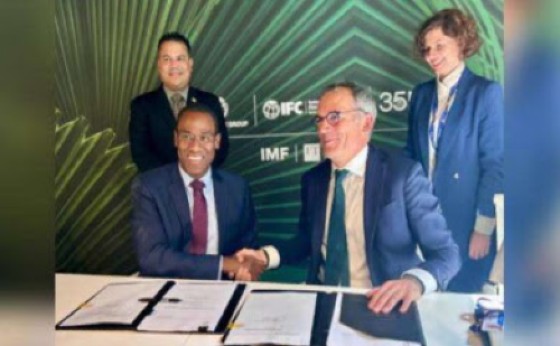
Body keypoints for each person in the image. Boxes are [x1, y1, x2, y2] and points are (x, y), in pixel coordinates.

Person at [237, 82, 460, 314]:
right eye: (319, 120)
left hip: (382, 304)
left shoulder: (402, 176)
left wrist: (414, 283)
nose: (323, 129)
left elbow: (446, 254)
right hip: (322, 301)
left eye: (334, 117)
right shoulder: (313, 180)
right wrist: (265, 256)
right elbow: (305, 241)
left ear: (366, 122)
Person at [405, 8, 504, 292]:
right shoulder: (421, 94)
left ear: (461, 43)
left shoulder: (486, 93)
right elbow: (411, 156)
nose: (431, 56)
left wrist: (483, 229)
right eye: (426, 49)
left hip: (467, 221)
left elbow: (495, 164)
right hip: (425, 220)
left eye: (439, 46)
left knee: (461, 306)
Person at [131, 103, 258, 280]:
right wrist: (223, 264)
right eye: (186, 136)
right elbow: (152, 257)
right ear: (176, 139)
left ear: (217, 141)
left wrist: (246, 268)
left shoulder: (237, 187)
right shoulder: (149, 187)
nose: (195, 146)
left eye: (204, 138)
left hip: (222, 288)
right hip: (167, 290)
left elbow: (247, 249)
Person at [129, 32, 229, 172]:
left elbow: (221, 148)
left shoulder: (210, 102)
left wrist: (195, 177)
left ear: (190, 63)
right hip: (161, 188)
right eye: (167, 59)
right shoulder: (142, 106)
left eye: (180, 58)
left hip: (200, 187)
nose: (174, 65)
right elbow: (141, 154)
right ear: (159, 65)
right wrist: (175, 180)